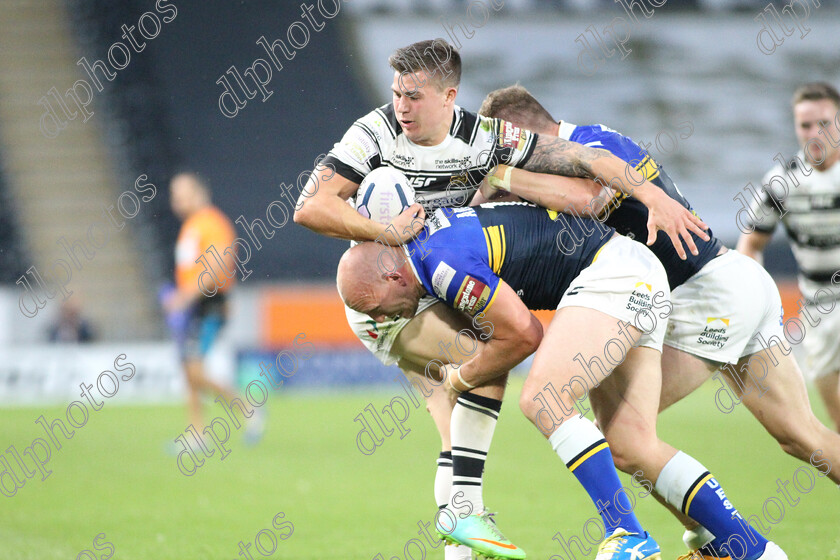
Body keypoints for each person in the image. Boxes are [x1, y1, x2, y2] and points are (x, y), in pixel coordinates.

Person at [294, 38, 709, 559]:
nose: (401, 106)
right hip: (383, 293)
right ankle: (473, 513)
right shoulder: (374, 133)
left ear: (450, 96)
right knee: (486, 355)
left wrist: (650, 195)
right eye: (397, 93)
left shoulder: (483, 138)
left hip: (436, 277)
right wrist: (384, 229)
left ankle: (464, 522)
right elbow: (309, 209)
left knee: (465, 405)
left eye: (414, 96)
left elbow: (580, 158)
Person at [477, 84, 840, 559]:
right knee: (801, 436)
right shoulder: (586, 147)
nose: (513, 159)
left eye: (510, 148)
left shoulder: (592, 147)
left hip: (707, 293)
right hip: (726, 285)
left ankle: (740, 548)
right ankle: (718, 541)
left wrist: (501, 174)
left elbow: (589, 197)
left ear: (523, 132)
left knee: (624, 438)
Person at [338, 203, 786, 560]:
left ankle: (626, 533)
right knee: (631, 444)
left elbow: (524, 336)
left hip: (612, 276)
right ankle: (753, 549)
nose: (380, 319)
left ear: (394, 274)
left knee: (544, 399)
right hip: (632, 274)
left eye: (375, 306)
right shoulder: (431, 245)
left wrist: (458, 377)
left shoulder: (439, 264)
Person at [737, 82, 840, 433]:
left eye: (824, 123)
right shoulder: (782, 182)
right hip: (817, 310)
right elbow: (750, 244)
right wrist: (753, 300)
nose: (815, 133)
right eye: (805, 125)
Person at [164, 172, 263, 441]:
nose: (176, 200)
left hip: (209, 303)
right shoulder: (192, 226)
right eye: (174, 195)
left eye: (182, 193)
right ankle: (197, 432)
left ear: (199, 193)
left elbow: (217, 265)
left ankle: (246, 408)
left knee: (193, 368)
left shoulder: (211, 223)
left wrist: (185, 296)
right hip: (194, 304)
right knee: (189, 367)